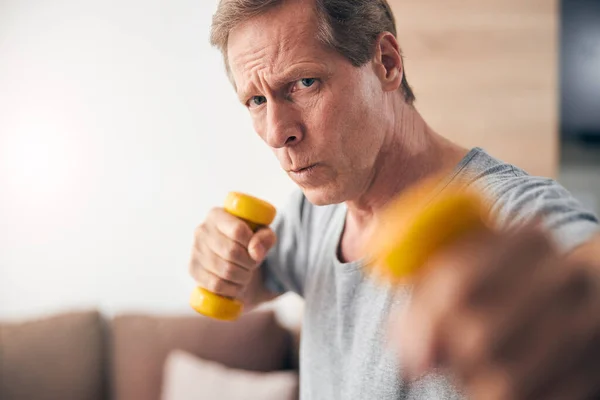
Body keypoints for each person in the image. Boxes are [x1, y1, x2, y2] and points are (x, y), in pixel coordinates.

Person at [189, 0, 600, 398]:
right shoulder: (317, 211)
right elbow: (253, 281)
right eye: (257, 101)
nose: (278, 133)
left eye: (304, 83)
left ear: (386, 62)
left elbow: (578, 276)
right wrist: (223, 261)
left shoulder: (499, 215)